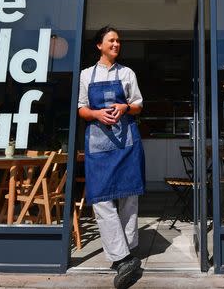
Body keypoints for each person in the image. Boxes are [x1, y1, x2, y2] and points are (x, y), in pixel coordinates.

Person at [78, 26, 145, 289]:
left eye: (118, 41)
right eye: (112, 40)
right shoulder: (86, 74)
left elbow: (138, 105)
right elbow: (82, 108)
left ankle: (127, 254)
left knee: (129, 196)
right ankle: (123, 257)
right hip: (98, 145)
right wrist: (96, 115)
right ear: (99, 45)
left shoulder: (127, 73)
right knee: (101, 199)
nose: (117, 44)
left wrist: (124, 107)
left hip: (126, 142)